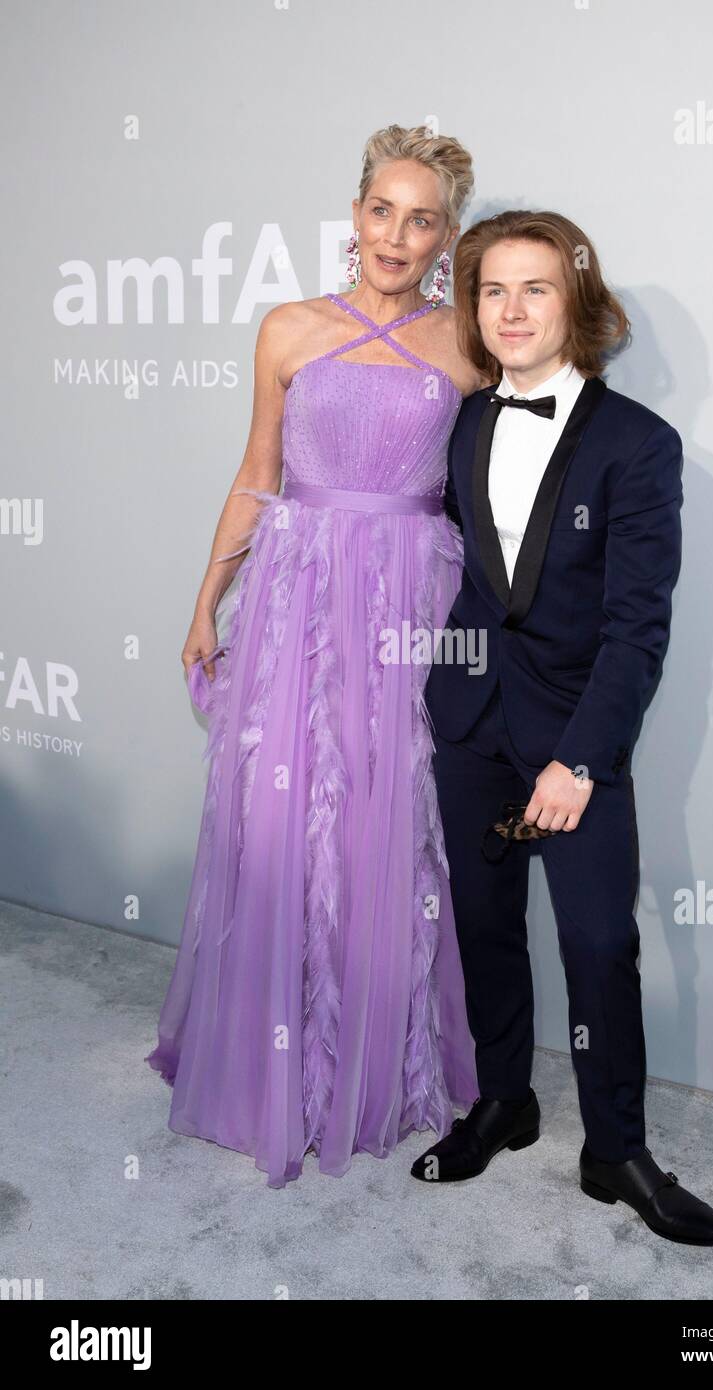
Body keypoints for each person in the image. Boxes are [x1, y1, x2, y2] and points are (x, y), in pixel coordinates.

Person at [146, 125, 488, 1187]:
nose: (396, 233)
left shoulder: (467, 344)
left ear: (446, 235)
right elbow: (257, 471)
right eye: (380, 210)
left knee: (391, 833)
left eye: (420, 217)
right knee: (280, 824)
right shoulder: (288, 328)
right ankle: (266, 1064)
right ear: (354, 216)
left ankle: (372, 1066)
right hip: (293, 601)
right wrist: (208, 597)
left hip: (408, 604)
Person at [415, 211, 713, 1245]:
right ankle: (502, 1100)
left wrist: (579, 757)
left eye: (534, 289)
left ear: (575, 304)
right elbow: (469, 580)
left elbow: (637, 628)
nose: (509, 310)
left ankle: (616, 1150)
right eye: (491, 290)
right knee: (481, 928)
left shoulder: (638, 445)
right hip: (468, 722)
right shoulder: (461, 421)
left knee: (599, 944)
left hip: (574, 738)